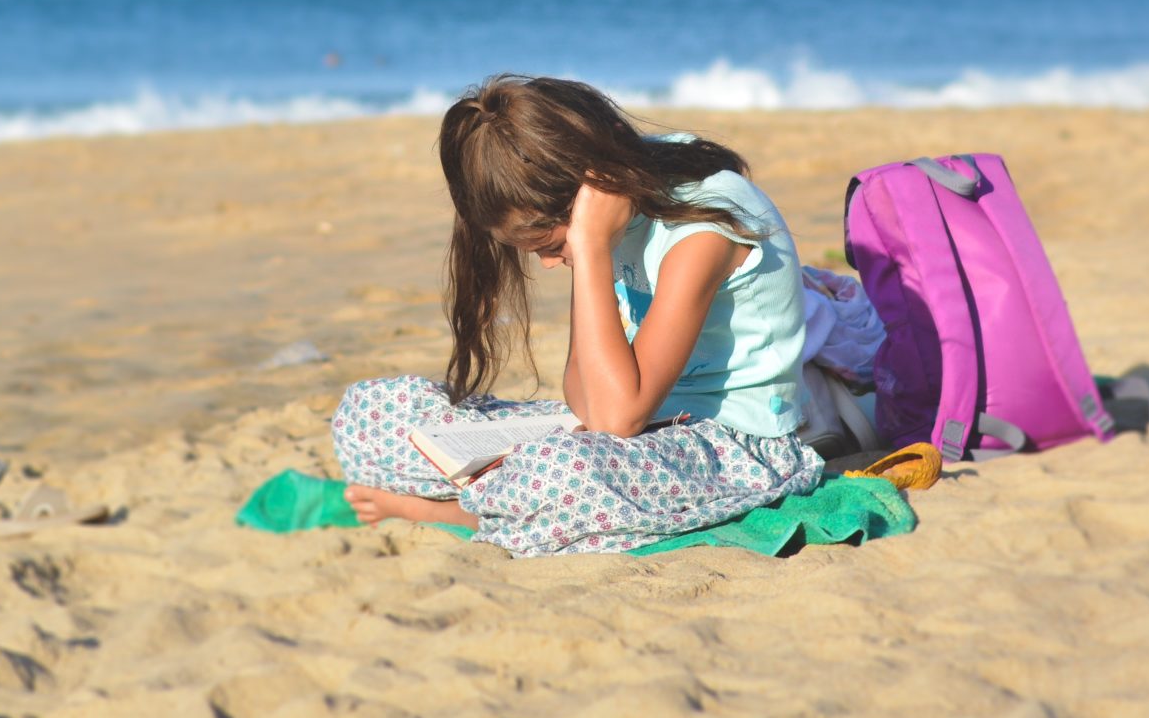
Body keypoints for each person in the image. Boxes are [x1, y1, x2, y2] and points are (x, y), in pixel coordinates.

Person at [331, 75, 822, 556]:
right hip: (634, 425)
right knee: (372, 415)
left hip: (735, 446)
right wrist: (587, 249)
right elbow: (583, 399)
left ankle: (459, 512)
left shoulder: (702, 232)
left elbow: (614, 418)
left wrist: (589, 249)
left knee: (564, 474)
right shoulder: (614, 206)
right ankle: (501, 497)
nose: (547, 263)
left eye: (551, 246)